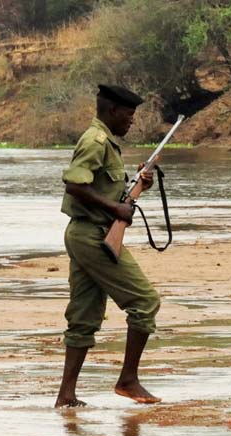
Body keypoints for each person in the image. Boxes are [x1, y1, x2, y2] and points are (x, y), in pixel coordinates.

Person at [54, 84, 164, 407]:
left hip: (87, 234)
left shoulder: (106, 143)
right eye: (128, 114)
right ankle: (128, 380)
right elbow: (75, 185)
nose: (132, 121)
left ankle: (66, 396)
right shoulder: (96, 141)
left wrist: (138, 187)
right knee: (145, 302)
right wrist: (116, 208)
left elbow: (104, 189)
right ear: (112, 111)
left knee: (83, 316)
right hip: (92, 236)